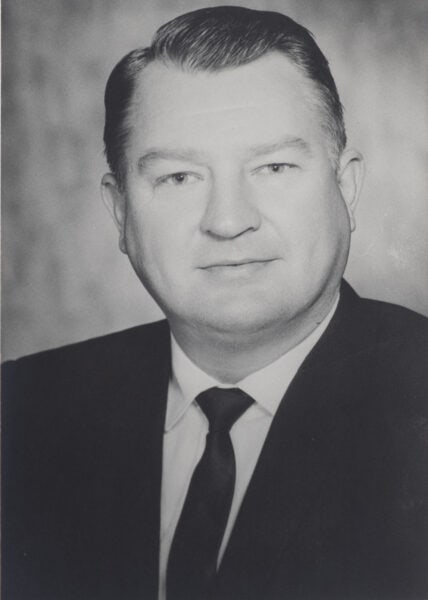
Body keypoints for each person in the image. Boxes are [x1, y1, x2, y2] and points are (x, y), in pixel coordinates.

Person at [2, 6, 427, 600]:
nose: (228, 221)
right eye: (179, 178)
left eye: (274, 167)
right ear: (120, 212)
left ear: (347, 189)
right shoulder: (19, 411)